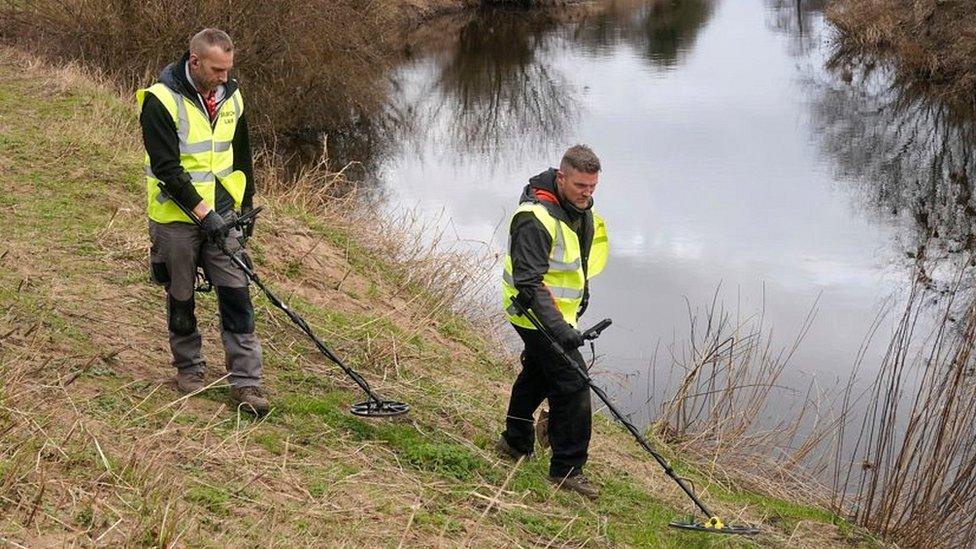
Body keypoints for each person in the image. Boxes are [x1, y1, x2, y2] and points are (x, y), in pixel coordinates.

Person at [138, 28, 268, 415]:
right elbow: (167, 169)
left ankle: (247, 383)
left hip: (224, 215)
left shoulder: (232, 93)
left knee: (237, 294)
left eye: (228, 69)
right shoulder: (159, 101)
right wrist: (202, 214)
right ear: (195, 62)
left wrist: (244, 206)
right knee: (181, 297)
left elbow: (242, 152)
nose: (224, 77)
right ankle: (189, 370)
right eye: (217, 69)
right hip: (175, 219)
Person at [498, 144, 609, 498]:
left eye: (592, 187)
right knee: (574, 384)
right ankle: (567, 469)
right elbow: (529, 283)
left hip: (559, 314)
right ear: (561, 177)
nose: (587, 194)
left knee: (538, 374)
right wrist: (560, 330)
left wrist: (582, 297)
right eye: (580, 186)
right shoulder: (534, 217)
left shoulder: (580, 209)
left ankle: (515, 442)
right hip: (532, 314)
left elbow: (577, 261)